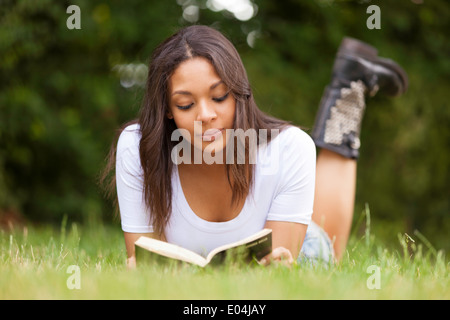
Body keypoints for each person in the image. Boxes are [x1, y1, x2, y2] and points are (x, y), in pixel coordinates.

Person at [101, 25, 408, 268]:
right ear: (167, 108)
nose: (205, 116)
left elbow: (281, 270)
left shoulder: (288, 148)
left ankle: (349, 88)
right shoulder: (138, 148)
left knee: (328, 246)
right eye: (185, 104)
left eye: (219, 97)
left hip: (304, 244)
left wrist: (280, 268)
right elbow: (149, 263)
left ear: (238, 92)